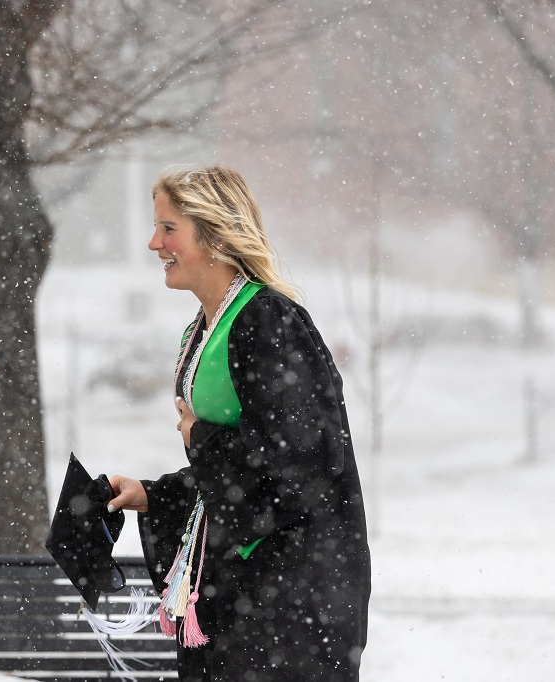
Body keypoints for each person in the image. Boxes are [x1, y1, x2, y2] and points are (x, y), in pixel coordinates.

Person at [107, 166, 371, 681]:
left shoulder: (268, 320)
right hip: (235, 589)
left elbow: (303, 459)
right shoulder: (203, 327)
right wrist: (154, 495)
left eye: (168, 228)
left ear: (214, 234)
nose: (152, 243)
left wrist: (199, 437)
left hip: (291, 594)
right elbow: (240, 474)